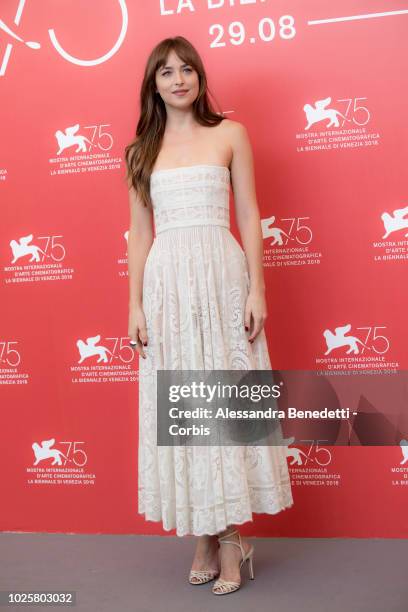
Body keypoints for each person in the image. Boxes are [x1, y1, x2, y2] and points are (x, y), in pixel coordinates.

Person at [125, 35, 293, 596]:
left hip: (221, 281)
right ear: (153, 84)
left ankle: (230, 539)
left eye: (188, 69)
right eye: (166, 72)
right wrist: (133, 305)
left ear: (199, 77)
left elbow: (249, 213)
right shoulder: (140, 152)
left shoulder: (231, 135)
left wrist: (257, 291)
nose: (179, 79)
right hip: (167, 288)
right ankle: (207, 532)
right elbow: (140, 235)